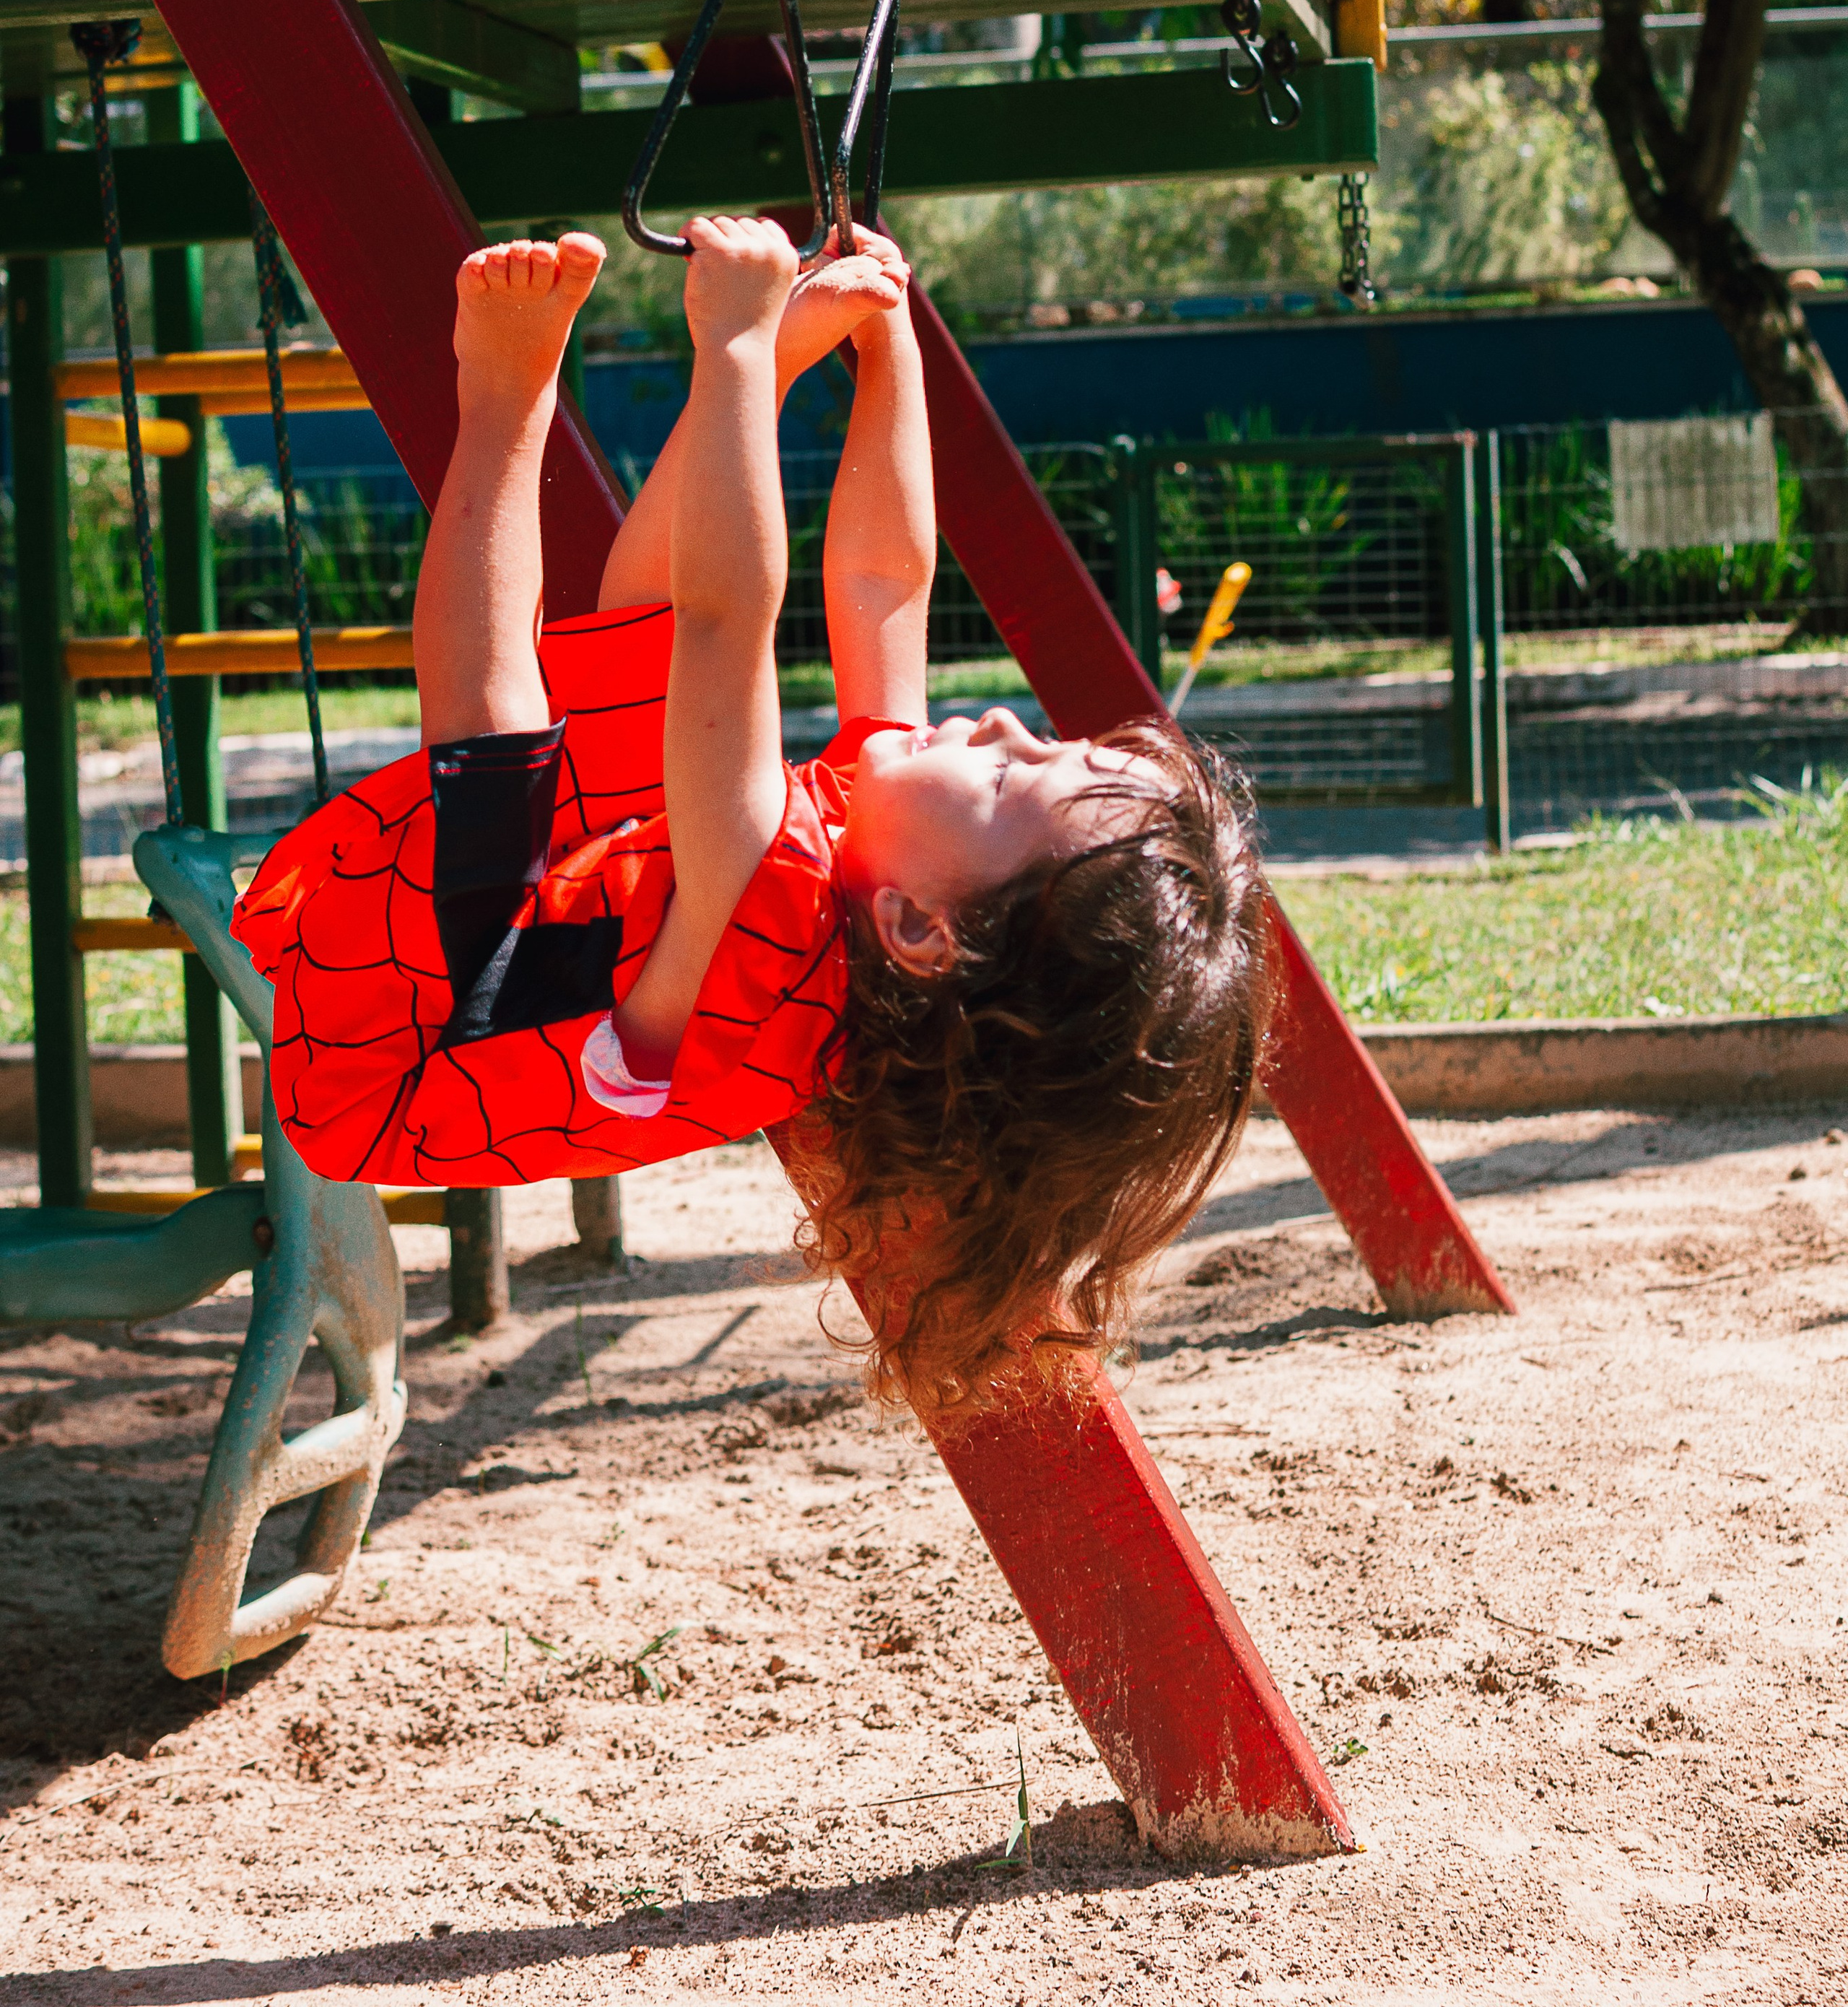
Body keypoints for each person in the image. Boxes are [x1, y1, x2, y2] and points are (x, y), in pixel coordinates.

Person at [234, 219, 1268, 1416]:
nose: (999, 723)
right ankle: (762, 363)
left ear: (922, 929)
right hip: (558, 970)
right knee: (644, 649)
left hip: (401, 1048)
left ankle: (504, 398)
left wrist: (732, 344)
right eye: (1045, 738)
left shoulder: (773, 933)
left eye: (1007, 779)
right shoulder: (895, 861)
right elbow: (886, 582)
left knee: (505, 739)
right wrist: (889, 352)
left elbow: (731, 618)